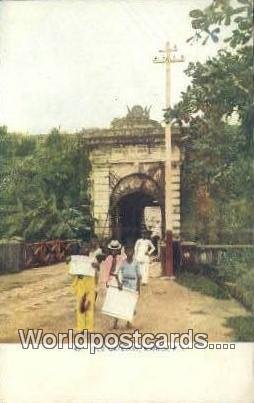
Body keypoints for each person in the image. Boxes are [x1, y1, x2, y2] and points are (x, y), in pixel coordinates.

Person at [70, 244, 96, 333]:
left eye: (87, 249)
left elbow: (98, 268)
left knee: (89, 305)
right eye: (84, 249)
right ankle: (80, 328)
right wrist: (69, 259)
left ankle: (89, 328)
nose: (85, 250)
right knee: (80, 305)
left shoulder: (92, 259)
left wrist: (95, 265)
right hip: (80, 283)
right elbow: (70, 265)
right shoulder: (77, 260)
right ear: (80, 251)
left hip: (90, 283)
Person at [115, 244, 141, 329]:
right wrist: (119, 283)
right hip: (124, 284)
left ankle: (128, 323)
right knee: (119, 304)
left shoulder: (136, 262)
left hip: (133, 284)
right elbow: (117, 273)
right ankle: (115, 323)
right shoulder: (123, 262)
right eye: (128, 251)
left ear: (133, 252)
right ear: (125, 252)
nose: (129, 253)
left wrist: (138, 288)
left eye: (131, 251)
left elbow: (139, 276)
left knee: (131, 304)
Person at [96, 239, 124, 308]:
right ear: (110, 250)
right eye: (112, 250)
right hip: (110, 279)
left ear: (118, 250)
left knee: (119, 297)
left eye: (115, 250)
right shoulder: (109, 258)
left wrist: (121, 282)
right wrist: (106, 281)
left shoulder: (122, 258)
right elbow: (106, 271)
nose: (114, 251)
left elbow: (122, 271)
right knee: (111, 297)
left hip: (119, 279)